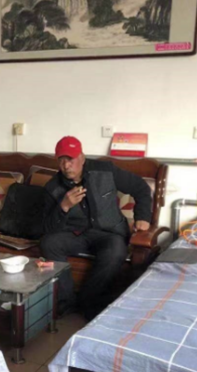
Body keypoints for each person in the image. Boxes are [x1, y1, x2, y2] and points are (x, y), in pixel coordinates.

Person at [41, 136, 152, 320]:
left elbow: (141, 187)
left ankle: (87, 302)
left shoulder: (105, 170)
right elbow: (48, 228)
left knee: (115, 251)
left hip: (109, 234)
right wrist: (64, 206)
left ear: (82, 157)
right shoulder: (52, 187)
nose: (66, 165)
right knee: (49, 243)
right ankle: (67, 303)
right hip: (76, 235)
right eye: (61, 160)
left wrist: (143, 217)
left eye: (71, 159)